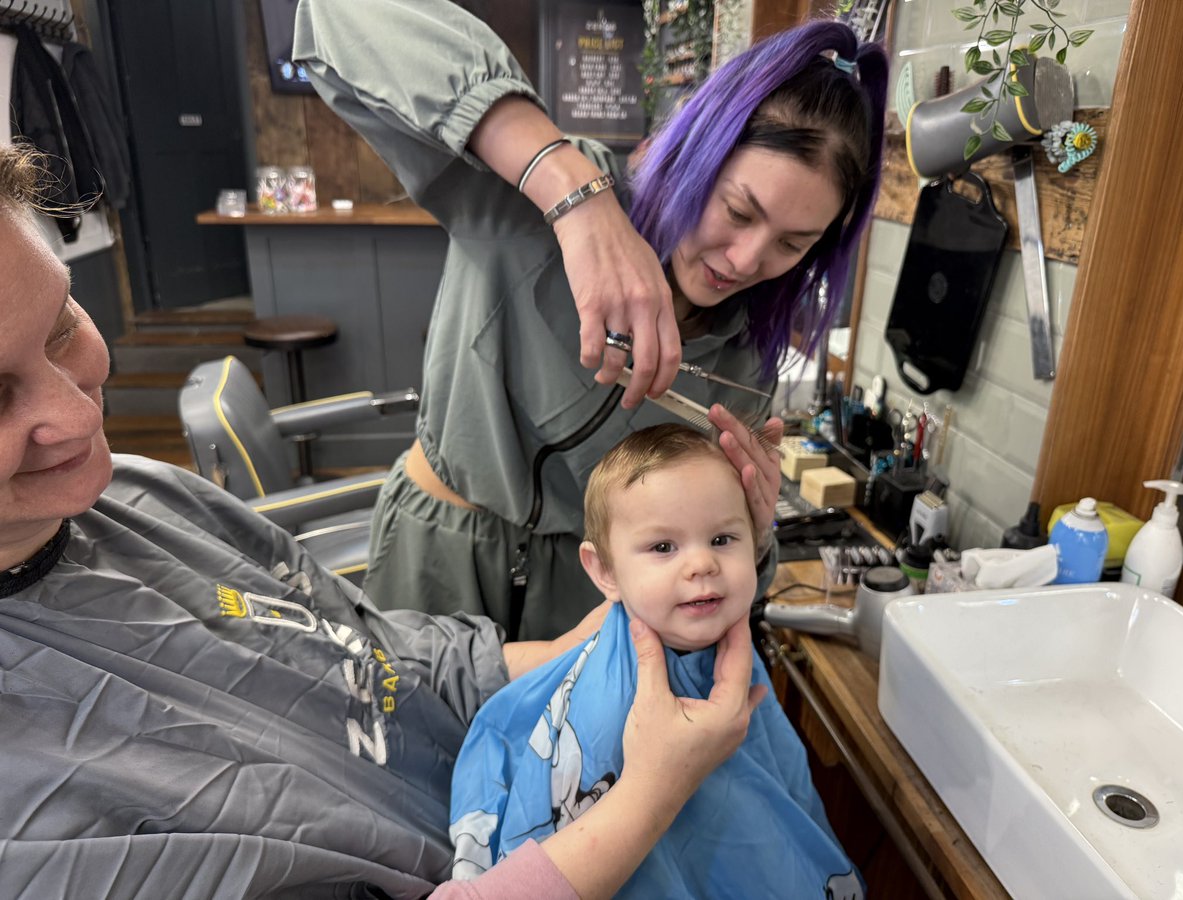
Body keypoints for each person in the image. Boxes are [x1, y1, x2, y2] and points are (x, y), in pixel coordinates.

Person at [0, 143, 768, 899]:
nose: (76, 412)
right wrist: (649, 798)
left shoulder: (139, 495)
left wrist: (618, 635)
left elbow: (372, 657)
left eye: (63, 325)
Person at [293, 0, 887, 640]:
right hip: (436, 560)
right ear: (698, 153)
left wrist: (754, 533)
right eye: (739, 211)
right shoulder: (525, 203)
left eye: (792, 244)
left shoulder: (743, 359)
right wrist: (571, 196)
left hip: (585, 610)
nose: (745, 261)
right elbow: (338, 14)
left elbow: (714, 577)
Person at [448, 424, 864, 898]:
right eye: (663, 547)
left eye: (724, 539)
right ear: (604, 571)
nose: (701, 564)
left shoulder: (724, 643)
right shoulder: (615, 707)